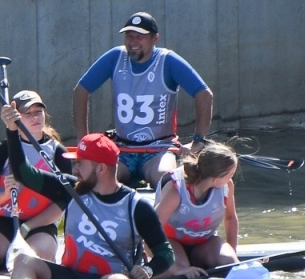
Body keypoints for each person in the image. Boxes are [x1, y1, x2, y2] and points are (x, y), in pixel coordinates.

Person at [0, 106, 175, 279]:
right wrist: (12, 131)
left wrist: (147, 270)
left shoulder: (137, 206)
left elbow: (165, 253)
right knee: (24, 260)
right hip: (68, 277)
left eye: (80, 164)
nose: (75, 170)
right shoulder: (69, 190)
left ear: (100, 168)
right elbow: (23, 172)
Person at [72, 11, 214, 186]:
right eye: (129, 36)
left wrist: (198, 140)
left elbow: (204, 95)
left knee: (167, 180)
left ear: (155, 38)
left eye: (140, 37)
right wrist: (82, 139)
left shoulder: (168, 61)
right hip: (123, 149)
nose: (133, 42)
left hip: (159, 149)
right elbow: (81, 90)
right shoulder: (115, 57)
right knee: (95, 179)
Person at [0, 90, 67, 271]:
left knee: (33, 260)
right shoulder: (0, 151)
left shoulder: (58, 152)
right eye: (27, 113)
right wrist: (5, 195)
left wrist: (28, 228)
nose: (34, 117)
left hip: (41, 223)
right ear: (16, 118)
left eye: (38, 112)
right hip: (6, 220)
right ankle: (2, 252)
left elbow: (62, 204)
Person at [153, 142, 240, 279]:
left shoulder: (227, 186)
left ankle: (195, 264)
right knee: (181, 271)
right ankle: (177, 266)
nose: (230, 179)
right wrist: (176, 269)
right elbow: (148, 231)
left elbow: (230, 218)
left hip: (203, 243)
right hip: (171, 242)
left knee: (229, 263)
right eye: (230, 175)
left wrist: (234, 257)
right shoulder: (176, 190)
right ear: (216, 180)